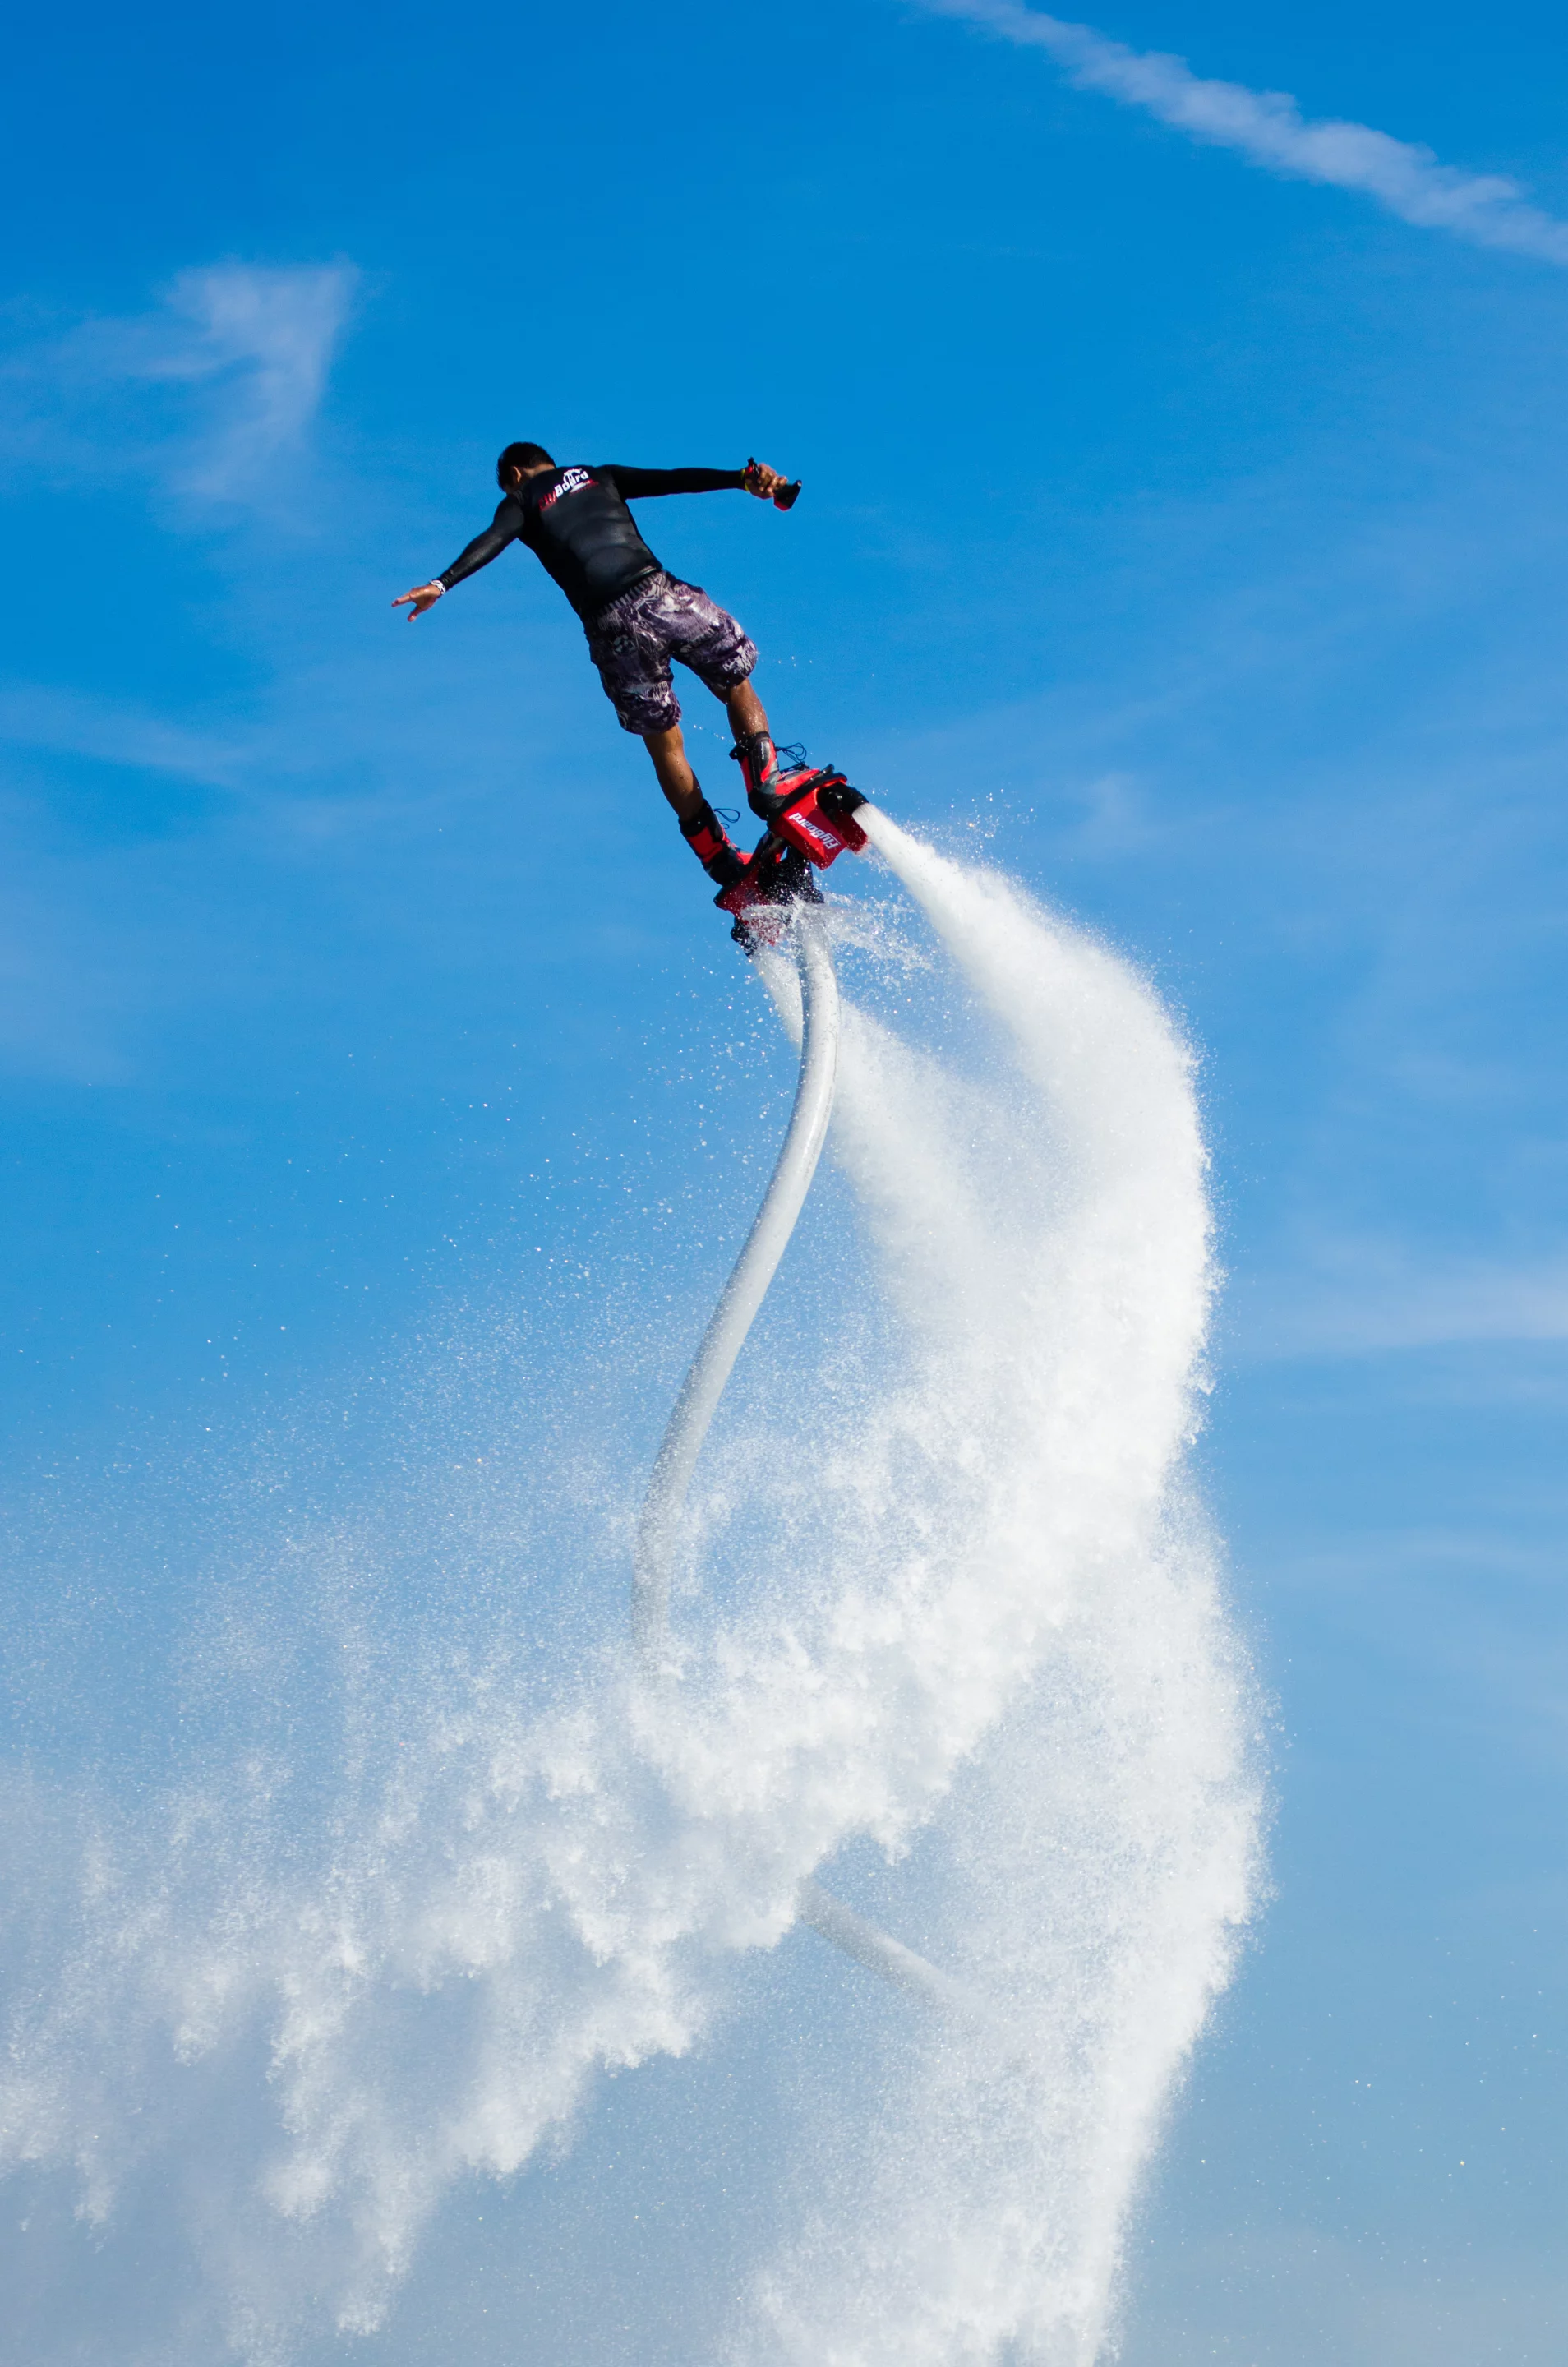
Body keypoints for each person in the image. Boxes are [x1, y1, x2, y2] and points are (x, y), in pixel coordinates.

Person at [394, 445, 864, 936]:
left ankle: (720, 860)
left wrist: (441, 584)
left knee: (664, 742)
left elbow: (492, 539)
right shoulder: (601, 475)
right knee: (735, 679)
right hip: (658, 593)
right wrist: (739, 478)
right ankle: (768, 783)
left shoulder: (522, 501)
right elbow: (675, 477)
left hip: (609, 625)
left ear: (515, 475)